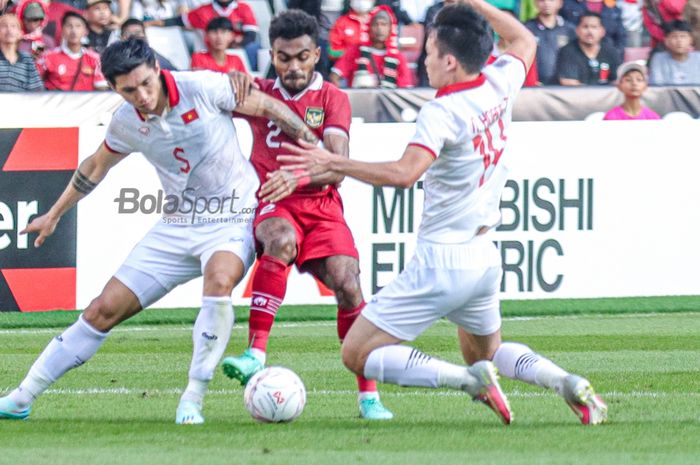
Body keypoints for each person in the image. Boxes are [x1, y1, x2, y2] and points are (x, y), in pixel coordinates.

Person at [279, 1, 608, 426]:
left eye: (430, 52)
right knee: (488, 350)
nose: (424, 60)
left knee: (357, 353)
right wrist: (471, 5)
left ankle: (469, 382)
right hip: (484, 255)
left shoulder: (442, 111)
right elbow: (523, 39)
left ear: (450, 61)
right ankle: (566, 381)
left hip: (441, 262)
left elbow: (404, 173)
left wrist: (333, 162)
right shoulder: (497, 80)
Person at [0, 37, 327, 424]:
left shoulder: (203, 87)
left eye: (145, 83)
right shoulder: (125, 121)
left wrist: (316, 149)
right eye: (128, 90)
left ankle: (193, 397)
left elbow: (268, 106)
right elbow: (95, 166)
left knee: (219, 280)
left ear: (156, 66)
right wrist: (54, 213)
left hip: (232, 216)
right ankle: (22, 396)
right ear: (113, 88)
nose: (142, 95)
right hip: (175, 225)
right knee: (101, 310)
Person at [221, 9, 394, 421]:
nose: (293, 67)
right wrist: (229, 81)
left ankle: (368, 396)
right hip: (274, 203)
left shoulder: (332, 98)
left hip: (322, 206)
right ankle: (254, 355)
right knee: (279, 240)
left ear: (317, 54)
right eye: (284, 58)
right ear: (272, 54)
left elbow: (339, 161)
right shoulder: (259, 92)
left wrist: (296, 175)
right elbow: (206, 95)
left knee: (349, 283)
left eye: (301, 57)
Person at [148, 0, 260, 70]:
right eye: (214, 31)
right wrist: (148, 23)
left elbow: (252, 35)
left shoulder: (244, 8)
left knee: (254, 47)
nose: (219, 36)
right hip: (210, 54)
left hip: (239, 50)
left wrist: (237, 43)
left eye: (224, 32)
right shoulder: (202, 11)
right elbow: (176, 20)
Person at [330, 7, 412, 88]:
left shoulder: (398, 57)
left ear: (390, 29)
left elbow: (405, 89)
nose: (379, 28)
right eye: (376, 24)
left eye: (384, 25)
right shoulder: (356, 51)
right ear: (369, 27)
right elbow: (334, 76)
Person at [37, 11, 108, 90]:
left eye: (78, 26)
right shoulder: (47, 56)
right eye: (69, 26)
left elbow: (102, 89)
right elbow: (35, 84)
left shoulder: (95, 58)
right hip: (57, 101)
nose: (73, 31)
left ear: (85, 31)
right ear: (62, 29)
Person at [556, 11, 621, 85]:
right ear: (577, 31)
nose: (590, 31)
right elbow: (568, 82)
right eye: (585, 27)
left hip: (606, 96)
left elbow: (618, 81)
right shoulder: (567, 51)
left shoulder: (611, 52)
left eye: (594, 27)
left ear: (602, 32)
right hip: (576, 96)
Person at [524, 0, 576, 85]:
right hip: (535, 85)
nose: (546, 3)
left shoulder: (570, 30)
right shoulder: (526, 29)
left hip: (564, 86)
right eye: (542, 0)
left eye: (551, 0)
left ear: (560, 3)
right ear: (535, 3)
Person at [560, 0, 626, 59]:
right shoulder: (568, 4)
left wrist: (614, 56)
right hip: (576, 55)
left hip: (606, 57)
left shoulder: (613, 8)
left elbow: (620, 36)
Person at [0, 12, 44, 90]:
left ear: (20, 33)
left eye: (13, 26)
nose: (9, 30)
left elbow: (37, 90)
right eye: (4, 26)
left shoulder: (27, 59)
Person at [648, 19, 700, 84]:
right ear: (666, 41)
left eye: (683, 36)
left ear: (691, 40)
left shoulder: (698, 58)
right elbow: (657, 87)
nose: (679, 41)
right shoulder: (658, 59)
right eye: (674, 36)